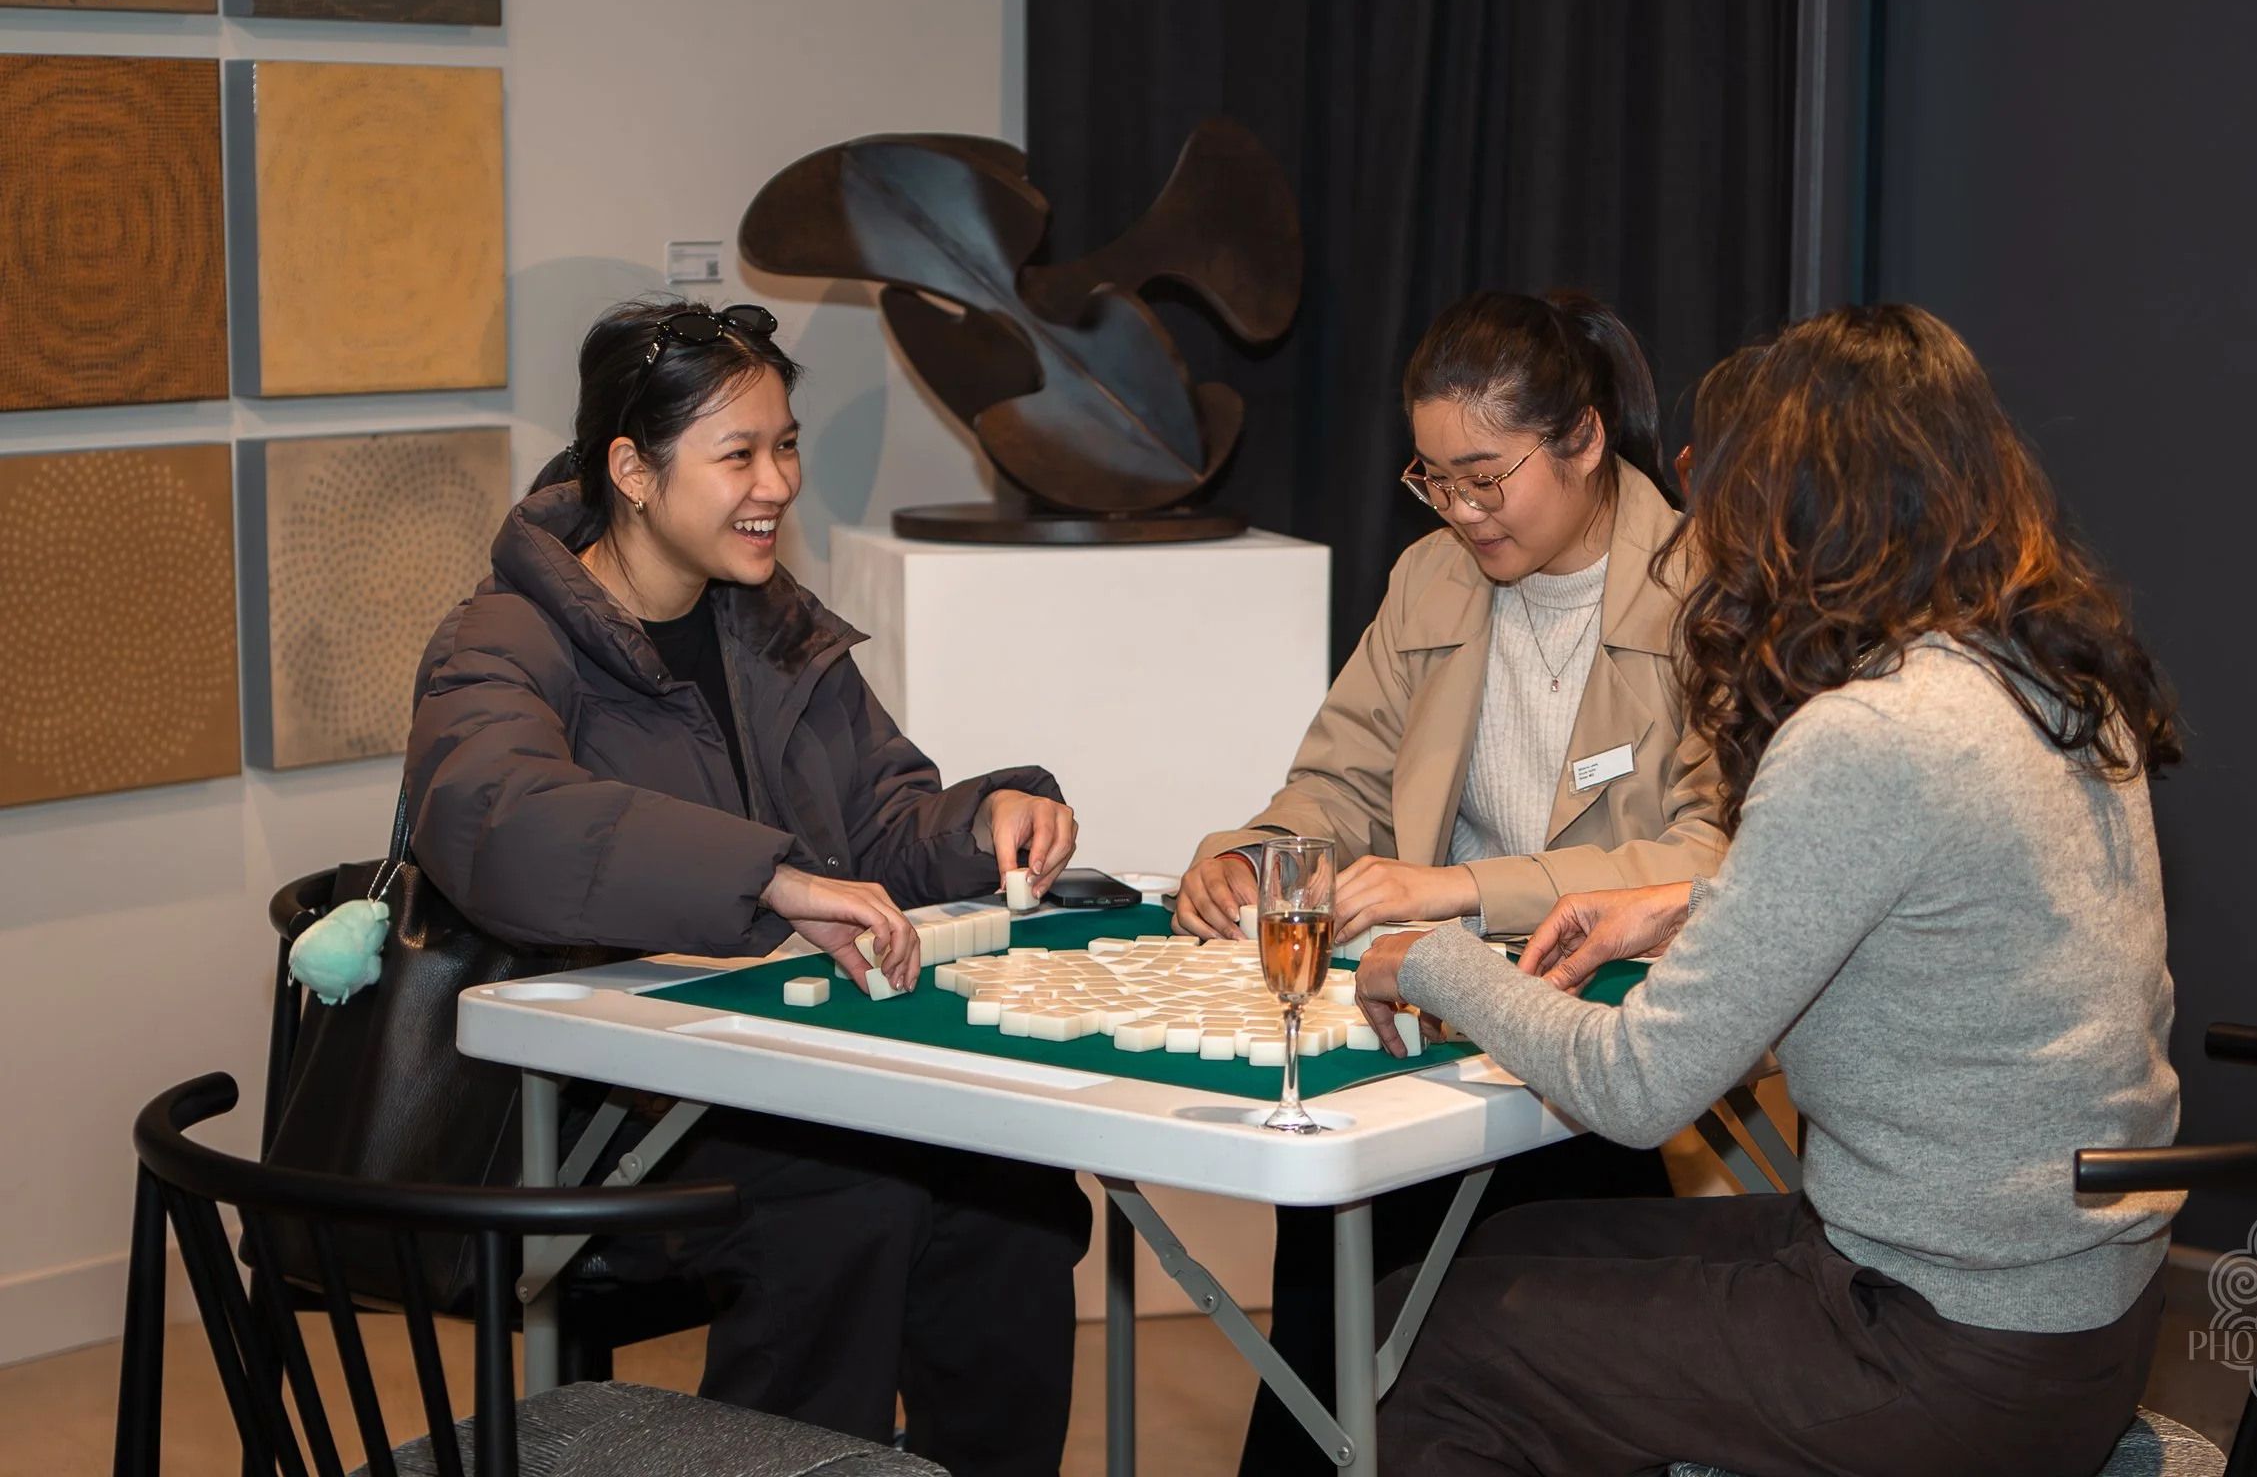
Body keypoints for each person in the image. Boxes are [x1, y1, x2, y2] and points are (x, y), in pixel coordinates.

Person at [1355, 303, 2186, 1477]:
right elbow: (1941, 915)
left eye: (1715, 481)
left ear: (1796, 505)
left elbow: (1638, 1088)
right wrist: (1688, 907)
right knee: (1514, 1243)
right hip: (2077, 1314)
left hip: (1942, 1350)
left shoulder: (1869, 734)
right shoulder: (2054, 682)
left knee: (1437, 1335)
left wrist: (1435, 954)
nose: (1697, 517)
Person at [403, 299, 1089, 1477]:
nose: (775, 482)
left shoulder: (771, 629)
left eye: (785, 444)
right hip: (595, 1108)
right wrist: (763, 880)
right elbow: (489, 820)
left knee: (1004, 1183)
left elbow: (878, 821)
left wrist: (983, 823)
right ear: (630, 468)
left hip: (782, 1065)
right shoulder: (504, 641)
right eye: (737, 454)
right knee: (852, 1190)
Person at [1172, 289, 1729, 1474]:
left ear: (1583, 441)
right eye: (1435, 480)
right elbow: (1338, 785)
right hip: (1415, 1004)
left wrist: (1462, 894)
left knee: (1487, 1337)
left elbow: (1710, 856)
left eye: (1487, 477)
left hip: (1582, 1025)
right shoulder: (1431, 580)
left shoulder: (1704, 591)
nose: (1464, 511)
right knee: (1331, 1246)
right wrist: (1256, 854)